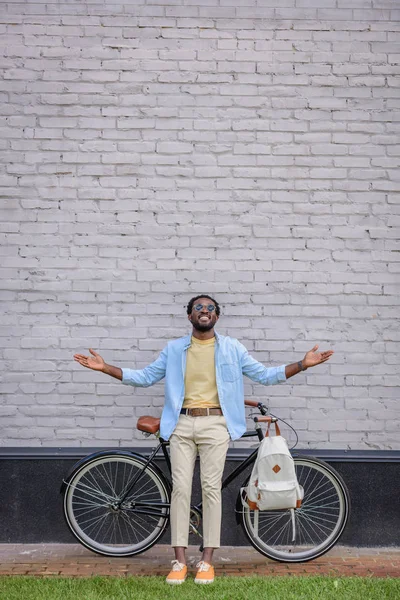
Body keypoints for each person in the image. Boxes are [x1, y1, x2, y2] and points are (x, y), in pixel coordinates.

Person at [73, 294, 334, 585]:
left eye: (210, 308)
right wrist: (105, 368)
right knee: (181, 490)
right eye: (199, 308)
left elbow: (265, 375)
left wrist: (303, 364)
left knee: (211, 489)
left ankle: (207, 561)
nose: (204, 311)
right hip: (182, 423)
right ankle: (179, 561)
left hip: (216, 424)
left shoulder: (232, 348)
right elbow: (145, 377)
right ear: (190, 316)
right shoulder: (174, 350)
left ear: (217, 317)